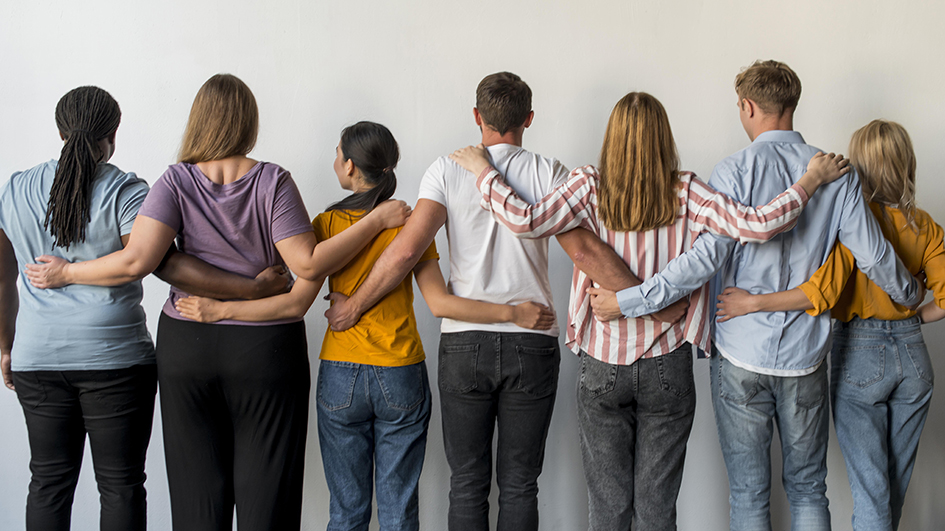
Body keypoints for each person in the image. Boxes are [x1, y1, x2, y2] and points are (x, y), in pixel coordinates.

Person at [449, 91, 851, 531]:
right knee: (657, 511)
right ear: (665, 137)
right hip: (668, 363)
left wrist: (484, 171)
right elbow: (758, 226)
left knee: (607, 509)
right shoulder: (689, 189)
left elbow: (525, 221)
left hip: (603, 360)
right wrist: (809, 181)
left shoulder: (587, 184)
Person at [24, 75, 410, 531]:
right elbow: (307, 265)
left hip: (187, 344)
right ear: (248, 121)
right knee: (266, 499)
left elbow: (140, 260)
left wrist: (66, 272)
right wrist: (377, 218)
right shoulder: (272, 180)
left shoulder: (176, 179)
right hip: (264, 350)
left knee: (196, 502)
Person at [174, 120, 556, 531]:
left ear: (351, 166)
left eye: (338, 155)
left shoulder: (324, 226)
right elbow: (439, 301)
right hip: (400, 370)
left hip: (341, 372)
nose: (334, 161)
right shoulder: (409, 223)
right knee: (398, 513)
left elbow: (294, 304)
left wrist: (221, 309)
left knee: (346, 513)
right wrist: (513, 313)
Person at [589, 62, 923, 531]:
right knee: (808, 487)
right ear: (793, 104)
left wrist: (630, 301)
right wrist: (910, 293)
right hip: (806, 356)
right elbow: (874, 256)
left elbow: (699, 263)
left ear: (747, 107)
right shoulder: (836, 174)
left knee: (748, 494)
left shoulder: (732, 172)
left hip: (740, 353)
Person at [323, 72, 650, 531]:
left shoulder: (446, 169)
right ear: (529, 119)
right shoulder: (550, 172)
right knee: (520, 483)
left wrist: (352, 307)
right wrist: (648, 299)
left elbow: (405, 251)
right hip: (532, 339)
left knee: (467, 481)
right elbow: (584, 251)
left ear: (477, 117)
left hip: (463, 345)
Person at [0, 86, 290, 531]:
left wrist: (6, 346)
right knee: (120, 485)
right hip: (114, 360)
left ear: (59, 131)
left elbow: (3, 276)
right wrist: (250, 288)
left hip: (36, 359)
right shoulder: (124, 190)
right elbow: (164, 263)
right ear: (113, 133)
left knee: (48, 482)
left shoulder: (16, 189)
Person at [715, 120, 942, 531]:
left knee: (864, 490)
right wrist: (911, 313)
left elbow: (818, 293)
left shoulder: (857, 222)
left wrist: (752, 303)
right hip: (914, 358)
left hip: (860, 355)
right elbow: (942, 300)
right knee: (887, 484)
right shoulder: (927, 227)